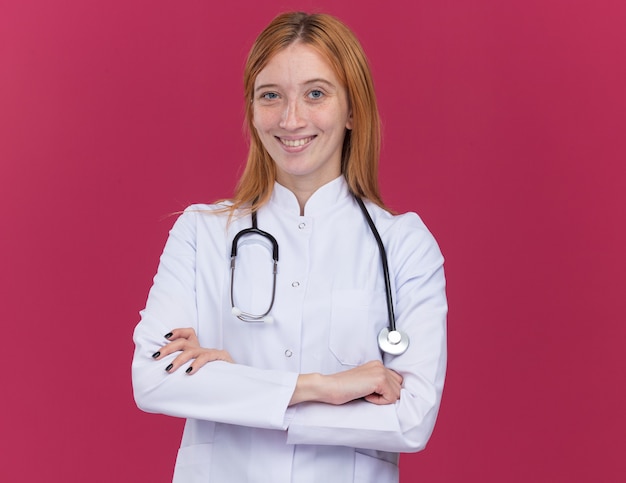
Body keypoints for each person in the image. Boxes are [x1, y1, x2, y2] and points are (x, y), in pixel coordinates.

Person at [132, 11, 447, 483]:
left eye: (316, 94)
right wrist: (322, 387)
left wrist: (240, 391)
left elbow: (410, 420)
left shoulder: (403, 245)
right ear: (253, 111)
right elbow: (154, 380)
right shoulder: (201, 234)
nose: (291, 118)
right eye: (270, 96)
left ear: (353, 110)